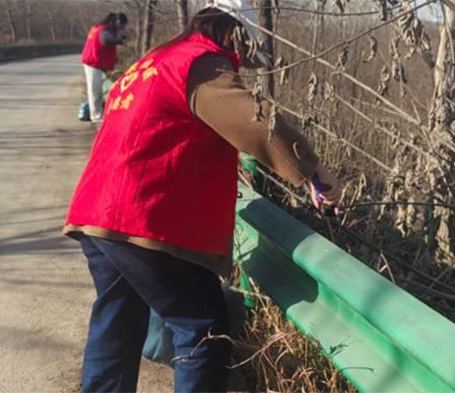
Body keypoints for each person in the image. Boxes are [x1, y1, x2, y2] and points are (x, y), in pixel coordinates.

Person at [63, 0, 341, 392]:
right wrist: (311, 169)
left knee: (116, 323)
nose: (244, 58)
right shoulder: (202, 64)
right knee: (201, 328)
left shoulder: (158, 58)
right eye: (246, 46)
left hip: (97, 213)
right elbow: (256, 123)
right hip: (140, 217)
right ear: (235, 32)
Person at [80, 12, 128, 124]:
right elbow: (106, 40)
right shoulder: (104, 29)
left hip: (97, 63)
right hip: (93, 63)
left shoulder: (100, 27)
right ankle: (96, 117)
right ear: (118, 22)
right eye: (122, 26)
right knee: (95, 91)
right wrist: (119, 40)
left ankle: (100, 113)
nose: (122, 28)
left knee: (103, 90)